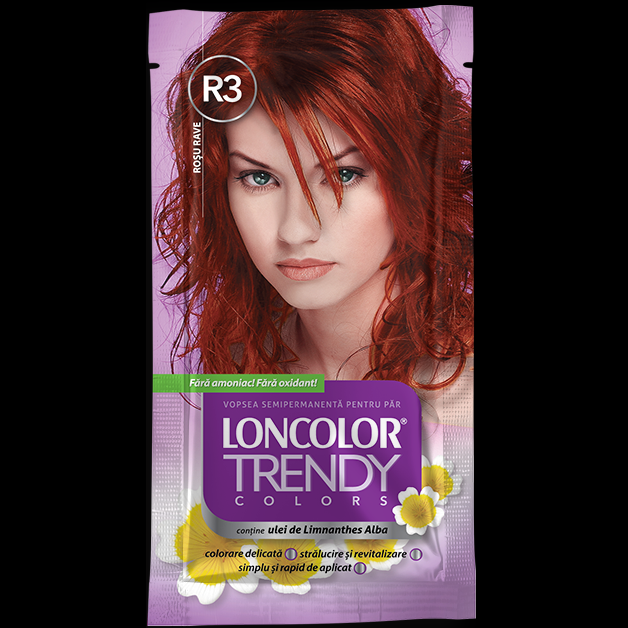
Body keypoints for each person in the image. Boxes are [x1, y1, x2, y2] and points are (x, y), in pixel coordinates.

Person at [155, 9, 473, 391]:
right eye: (259, 177)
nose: (295, 231)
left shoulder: (463, 396)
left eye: (343, 174)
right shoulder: (238, 368)